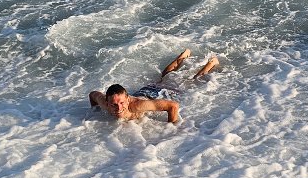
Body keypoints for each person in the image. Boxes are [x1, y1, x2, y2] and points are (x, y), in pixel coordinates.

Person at [89, 49, 219, 124]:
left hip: (157, 94)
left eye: (122, 103)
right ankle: (183, 56)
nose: (119, 108)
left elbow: (173, 106)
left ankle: (211, 63)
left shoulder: (138, 106)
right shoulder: (104, 103)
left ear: (127, 100)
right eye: (114, 105)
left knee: (190, 82)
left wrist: (172, 128)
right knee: (164, 77)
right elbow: (93, 94)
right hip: (144, 90)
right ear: (107, 102)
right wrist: (94, 111)